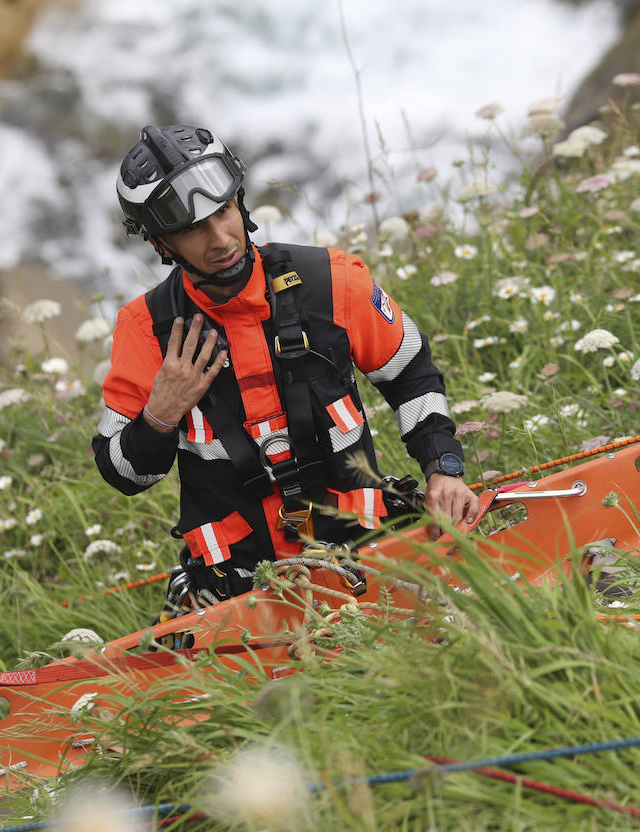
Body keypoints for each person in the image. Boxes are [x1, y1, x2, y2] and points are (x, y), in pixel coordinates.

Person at [93, 124, 480, 603]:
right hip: (240, 595)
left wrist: (443, 467)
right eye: (192, 228)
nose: (220, 240)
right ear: (159, 245)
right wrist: (160, 414)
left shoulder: (333, 281)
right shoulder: (145, 330)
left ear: (241, 202)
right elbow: (122, 474)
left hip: (365, 556)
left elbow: (410, 373)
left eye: (224, 211)